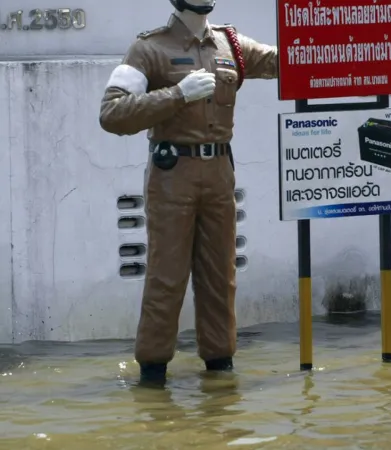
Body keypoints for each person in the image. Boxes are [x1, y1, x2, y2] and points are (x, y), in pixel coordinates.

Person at [99, 0, 279, 386]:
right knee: (167, 276)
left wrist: (352, 39)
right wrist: (177, 95)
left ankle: (220, 371)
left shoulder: (231, 45)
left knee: (220, 275)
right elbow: (112, 113)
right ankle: (152, 376)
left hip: (219, 173)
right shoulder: (149, 48)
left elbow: (287, 61)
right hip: (173, 173)